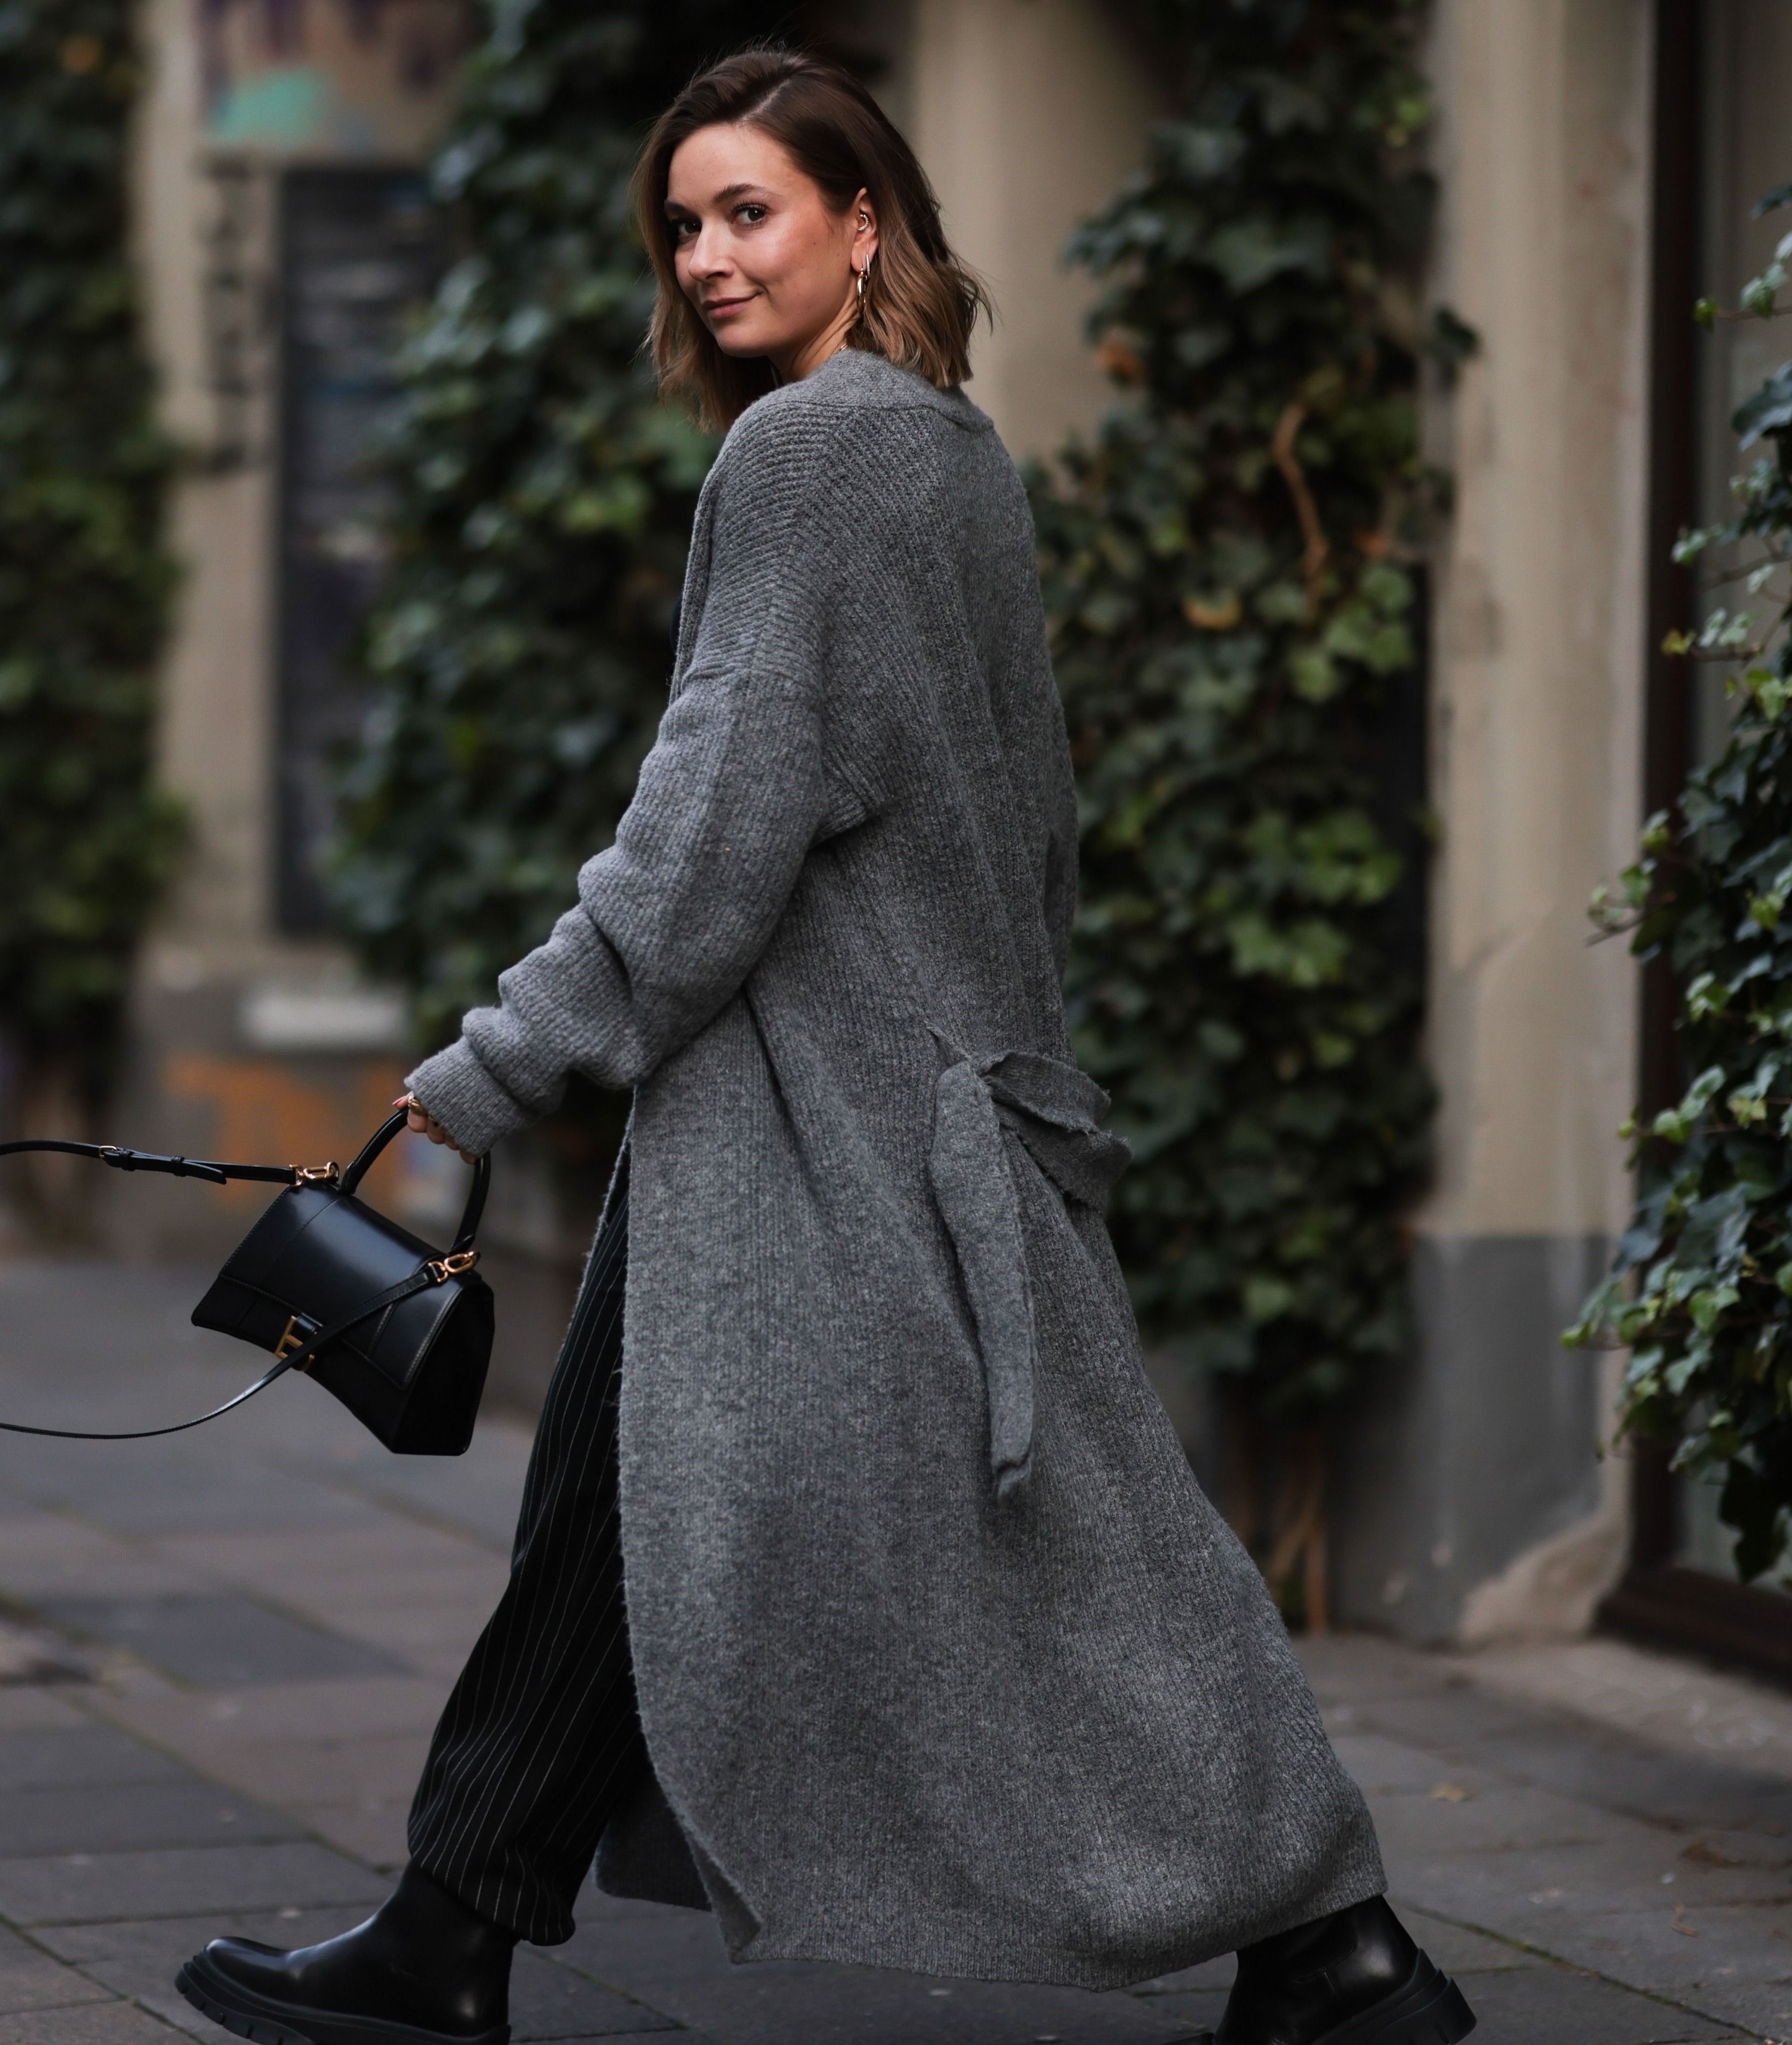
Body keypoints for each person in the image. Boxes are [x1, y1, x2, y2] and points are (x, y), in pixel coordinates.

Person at [177, 48, 1477, 2045]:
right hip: (888, 1104)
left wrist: (496, 1056)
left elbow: (710, 830)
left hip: (828, 1124)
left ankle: (1327, 1941)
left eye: (747, 211)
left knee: (1072, 1559)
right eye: (681, 225)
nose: (705, 257)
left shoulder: (808, 459)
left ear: (861, 224)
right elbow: (1025, 824)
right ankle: (450, 1930)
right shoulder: (946, 452)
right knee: (628, 1511)